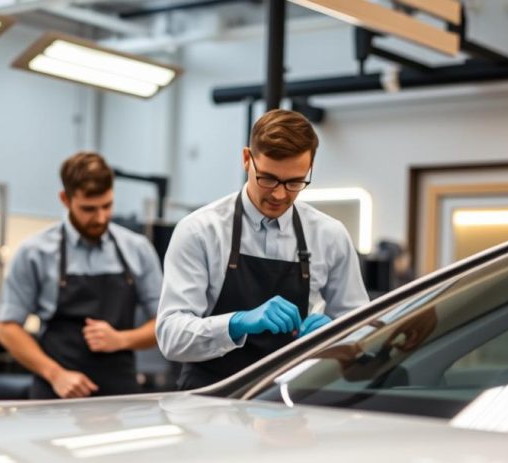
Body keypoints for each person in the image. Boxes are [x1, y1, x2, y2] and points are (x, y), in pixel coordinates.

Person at [156, 109, 369, 390]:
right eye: (267, 179)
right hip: (210, 399)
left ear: (310, 168)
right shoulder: (200, 231)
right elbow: (171, 336)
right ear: (247, 159)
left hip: (293, 398)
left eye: (295, 182)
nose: (280, 194)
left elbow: (363, 332)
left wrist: (337, 335)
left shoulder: (330, 235)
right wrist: (236, 323)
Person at [0, 152, 164, 399]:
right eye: (88, 209)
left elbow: (166, 323)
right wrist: (55, 374)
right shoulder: (35, 253)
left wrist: (121, 339)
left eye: (107, 206)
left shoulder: (137, 250)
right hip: (56, 396)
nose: (100, 217)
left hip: (120, 397)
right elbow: (8, 329)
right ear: (65, 199)